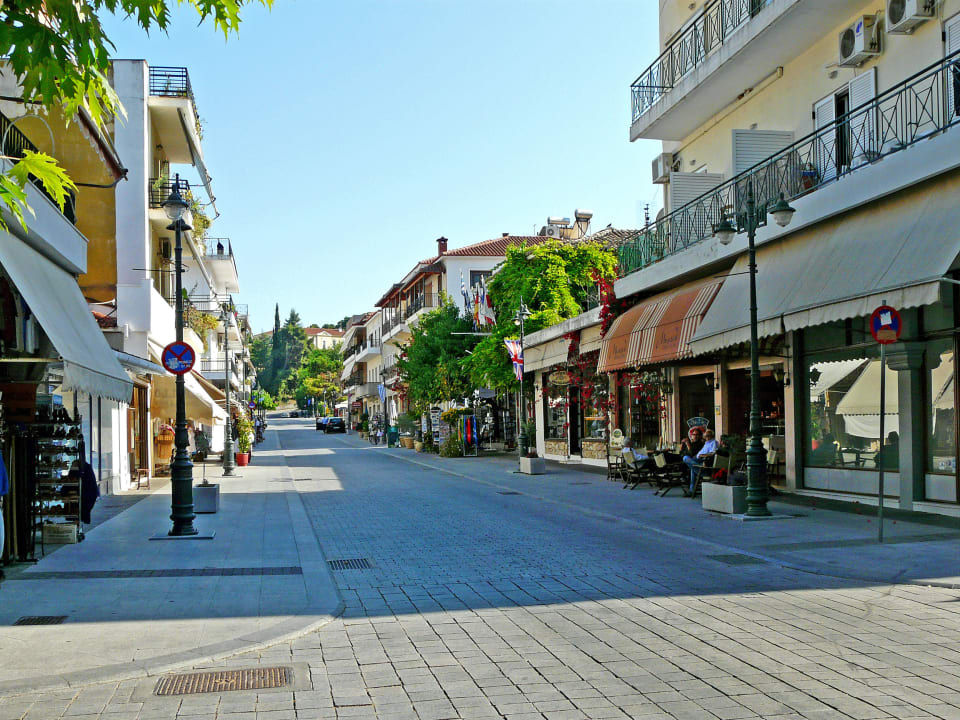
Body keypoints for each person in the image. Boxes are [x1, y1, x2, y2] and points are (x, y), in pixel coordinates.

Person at [682, 429, 718, 494]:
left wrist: (702, 455)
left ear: (712, 436)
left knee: (686, 459)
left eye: (708, 435)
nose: (707, 437)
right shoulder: (706, 443)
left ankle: (701, 470)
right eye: (706, 436)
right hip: (698, 459)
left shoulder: (713, 442)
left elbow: (713, 453)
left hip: (705, 461)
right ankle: (691, 490)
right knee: (692, 466)